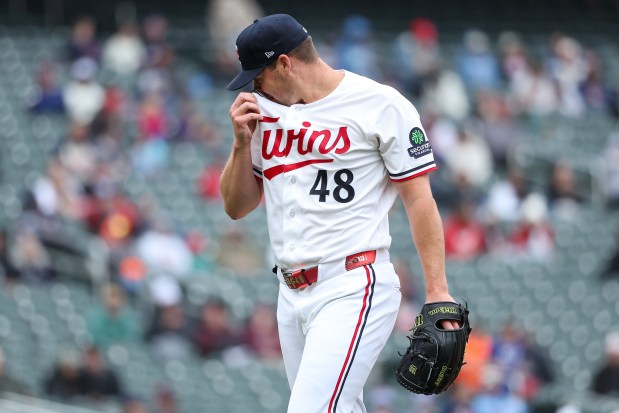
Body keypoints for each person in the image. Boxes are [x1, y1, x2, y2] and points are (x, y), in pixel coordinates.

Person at [220, 14, 459, 413]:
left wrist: (437, 291)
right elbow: (236, 206)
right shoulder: (261, 115)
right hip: (290, 294)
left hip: (352, 283)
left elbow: (419, 200)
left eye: (257, 76)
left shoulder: (380, 105)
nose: (254, 87)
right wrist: (241, 146)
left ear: (284, 63)